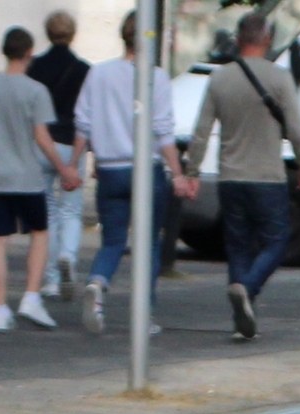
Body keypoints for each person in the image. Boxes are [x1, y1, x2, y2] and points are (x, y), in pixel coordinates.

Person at [178, 12, 300, 341]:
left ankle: (242, 315)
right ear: (267, 40)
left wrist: (192, 171)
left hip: (230, 177)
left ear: (238, 40)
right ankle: (247, 290)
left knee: (238, 246)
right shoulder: (280, 78)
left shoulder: (220, 78)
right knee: (277, 241)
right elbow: (295, 128)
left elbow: (201, 131)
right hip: (267, 176)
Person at [72, 9, 183, 335]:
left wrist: (72, 165)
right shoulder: (156, 77)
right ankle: (143, 316)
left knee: (113, 241)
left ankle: (97, 283)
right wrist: (177, 173)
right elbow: (163, 132)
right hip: (145, 168)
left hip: (108, 169)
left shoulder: (98, 74)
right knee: (148, 245)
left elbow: (83, 124)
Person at [0, 27, 78, 329]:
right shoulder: (36, 91)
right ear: (28, 53)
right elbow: (42, 136)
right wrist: (64, 168)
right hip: (27, 176)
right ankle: (31, 297)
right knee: (39, 233)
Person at [30, 12, 91, 297]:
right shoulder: (83, 70)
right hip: (72, 145)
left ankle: (52, 278)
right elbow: (87, 115)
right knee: (72, 209)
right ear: (73, 33)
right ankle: (68, 255)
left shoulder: (35, 67)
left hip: (42, 144)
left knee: (48, 212)